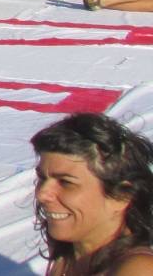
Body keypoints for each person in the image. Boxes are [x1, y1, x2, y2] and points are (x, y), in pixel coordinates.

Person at [30, 112, 153, 275]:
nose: (42, 194)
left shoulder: (139, 270)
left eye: (66, 182)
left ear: (121, 196)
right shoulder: (70, 255)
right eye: (42, 178)